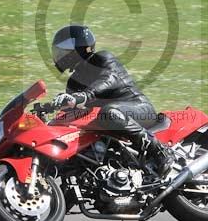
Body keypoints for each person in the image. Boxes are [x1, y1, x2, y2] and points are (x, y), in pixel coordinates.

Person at [50, 24, 174, 176]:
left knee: (109, 113)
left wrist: (85, 95)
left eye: (63, 51)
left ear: (79, 47)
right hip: (110, 121)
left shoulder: (102, 59)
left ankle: (160, 150)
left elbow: (109, 79)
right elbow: (74, 112)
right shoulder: (73, 82)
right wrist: (53, 111)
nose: (60, 55)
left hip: (139, 109)